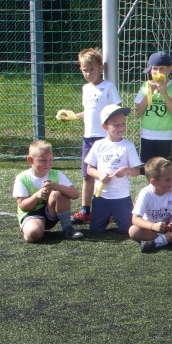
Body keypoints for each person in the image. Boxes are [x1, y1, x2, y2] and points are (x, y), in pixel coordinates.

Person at [55, 48, 122, 226]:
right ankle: (85, 211)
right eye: (85, 70)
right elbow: (89, 112)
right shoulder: (85, 89)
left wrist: (113, 130)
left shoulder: (108, 87)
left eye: (92, 69)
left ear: (101, 68)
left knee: (107, 175)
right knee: (87, 175)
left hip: (105, 139)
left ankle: (113, 209)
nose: (88, 73)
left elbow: (117, 109)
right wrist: (72, 116)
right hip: (88, 138)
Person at [85, 104, 142, 234]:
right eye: (116, 125)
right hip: (101, 197)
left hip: (122, 197)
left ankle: (117, 215)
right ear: (104, 126)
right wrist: (99, 175)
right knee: (95, 231)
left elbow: (136, 171)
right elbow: (89, 169)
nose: (121, 128)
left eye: (123, 124)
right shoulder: (98, 145)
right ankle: (109, 215)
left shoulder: (128, 146)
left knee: (127, 230)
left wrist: (126, 170)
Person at [14, 140, 82, 242]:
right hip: (31, 215)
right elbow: (23, 206)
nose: (48, 164)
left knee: (59, 193)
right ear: (30, 160)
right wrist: (37, 196)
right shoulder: (22, 178)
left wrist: (57, 186)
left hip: (50, 214)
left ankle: (67, 228)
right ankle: (29, 229)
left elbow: (75, 194)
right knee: (34, 234)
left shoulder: (56, 174)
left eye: (50, 160)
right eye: (43, 160)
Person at [134, 51, 172, 174]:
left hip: (166, 136)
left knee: (167, 170)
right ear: (150, 70)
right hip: (147, 135)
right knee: (148, 170)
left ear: (170, 69)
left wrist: (164, 93)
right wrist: (149, 94)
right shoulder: (145, 86)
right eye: (155, 69)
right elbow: (138, 112)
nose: (158, 72)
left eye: (162, 69)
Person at [129, 156, 172, 253]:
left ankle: (158, 242)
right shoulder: (146, 194)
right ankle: (170, 239)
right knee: (133, 231)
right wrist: (153, 226)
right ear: (154, 182)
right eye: (168, 179)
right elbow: (135, 219)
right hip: (151, 229)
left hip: (168, 228)